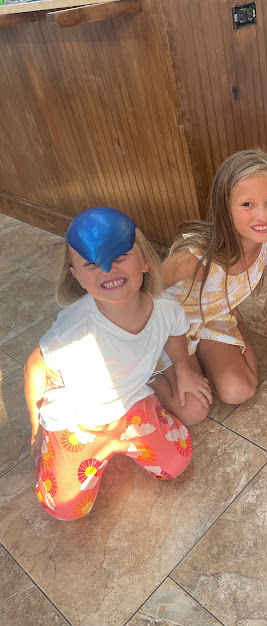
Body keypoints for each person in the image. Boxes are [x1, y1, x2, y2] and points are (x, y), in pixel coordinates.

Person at [24, 207, 211, 520]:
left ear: (145, 261)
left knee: (176, 463)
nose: (108, 269)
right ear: (77, 276)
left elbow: (175, 331)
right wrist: (35, 425)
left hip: (130, 402)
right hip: (78, 418)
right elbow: (35, 365)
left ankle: (133, 423)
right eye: (91, 263)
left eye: (120, 256)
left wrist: (183, 370)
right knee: (66, 509)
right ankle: (55, 453)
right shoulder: (75, 327)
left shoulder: (165, 308)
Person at [151, 149, 267, 412]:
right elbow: (146, 292)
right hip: (169, 327)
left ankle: (231, 328)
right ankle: (150, 376)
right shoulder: (195, 258)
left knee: (242, 390)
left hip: (211, 317)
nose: (263, 216)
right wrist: (181, 366)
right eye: (247, 204)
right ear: (225, 207)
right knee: (193, 410)